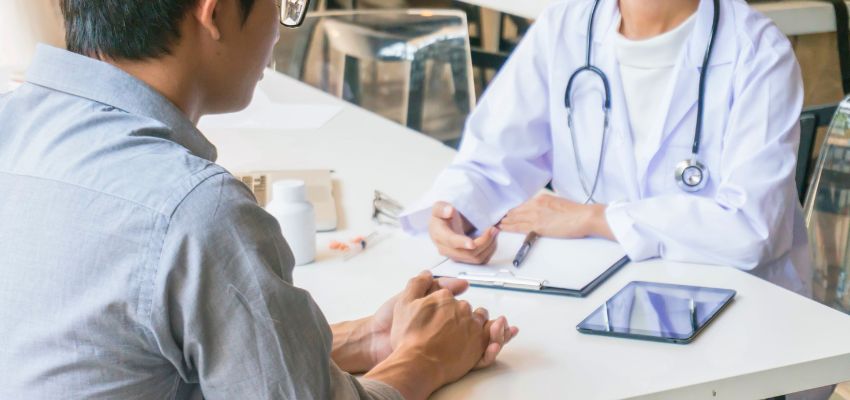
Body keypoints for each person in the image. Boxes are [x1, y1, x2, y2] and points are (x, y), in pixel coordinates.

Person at [0, 0, 518, 399]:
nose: (279, 29)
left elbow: (117, 354)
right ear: (216, 13)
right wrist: (424, 358)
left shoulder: (13, 124)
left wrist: (362, 340)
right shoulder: (195, 211)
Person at [402, 0, 812, 297]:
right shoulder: (566, 25)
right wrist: (455, 212)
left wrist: (595, 219)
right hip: (594, 289)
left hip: (740, 308)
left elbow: (750, 229)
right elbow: (493, 156)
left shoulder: (757, 52)